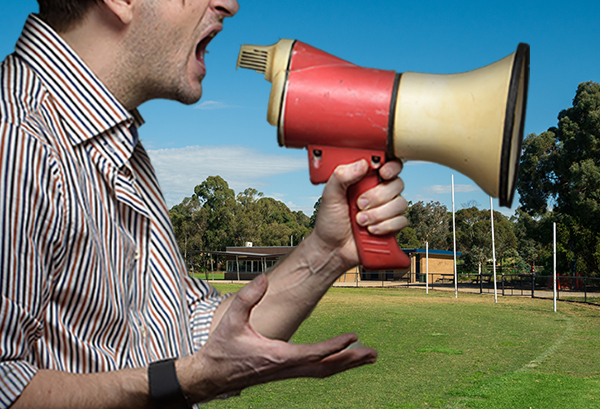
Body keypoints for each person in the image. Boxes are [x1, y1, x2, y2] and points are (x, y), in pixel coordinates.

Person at [0, 0, 408, 407]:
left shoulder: (116, 146)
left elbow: (193, 337)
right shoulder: (15, 139)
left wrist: (328, 251)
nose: (229, 5)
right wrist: (186, 381)